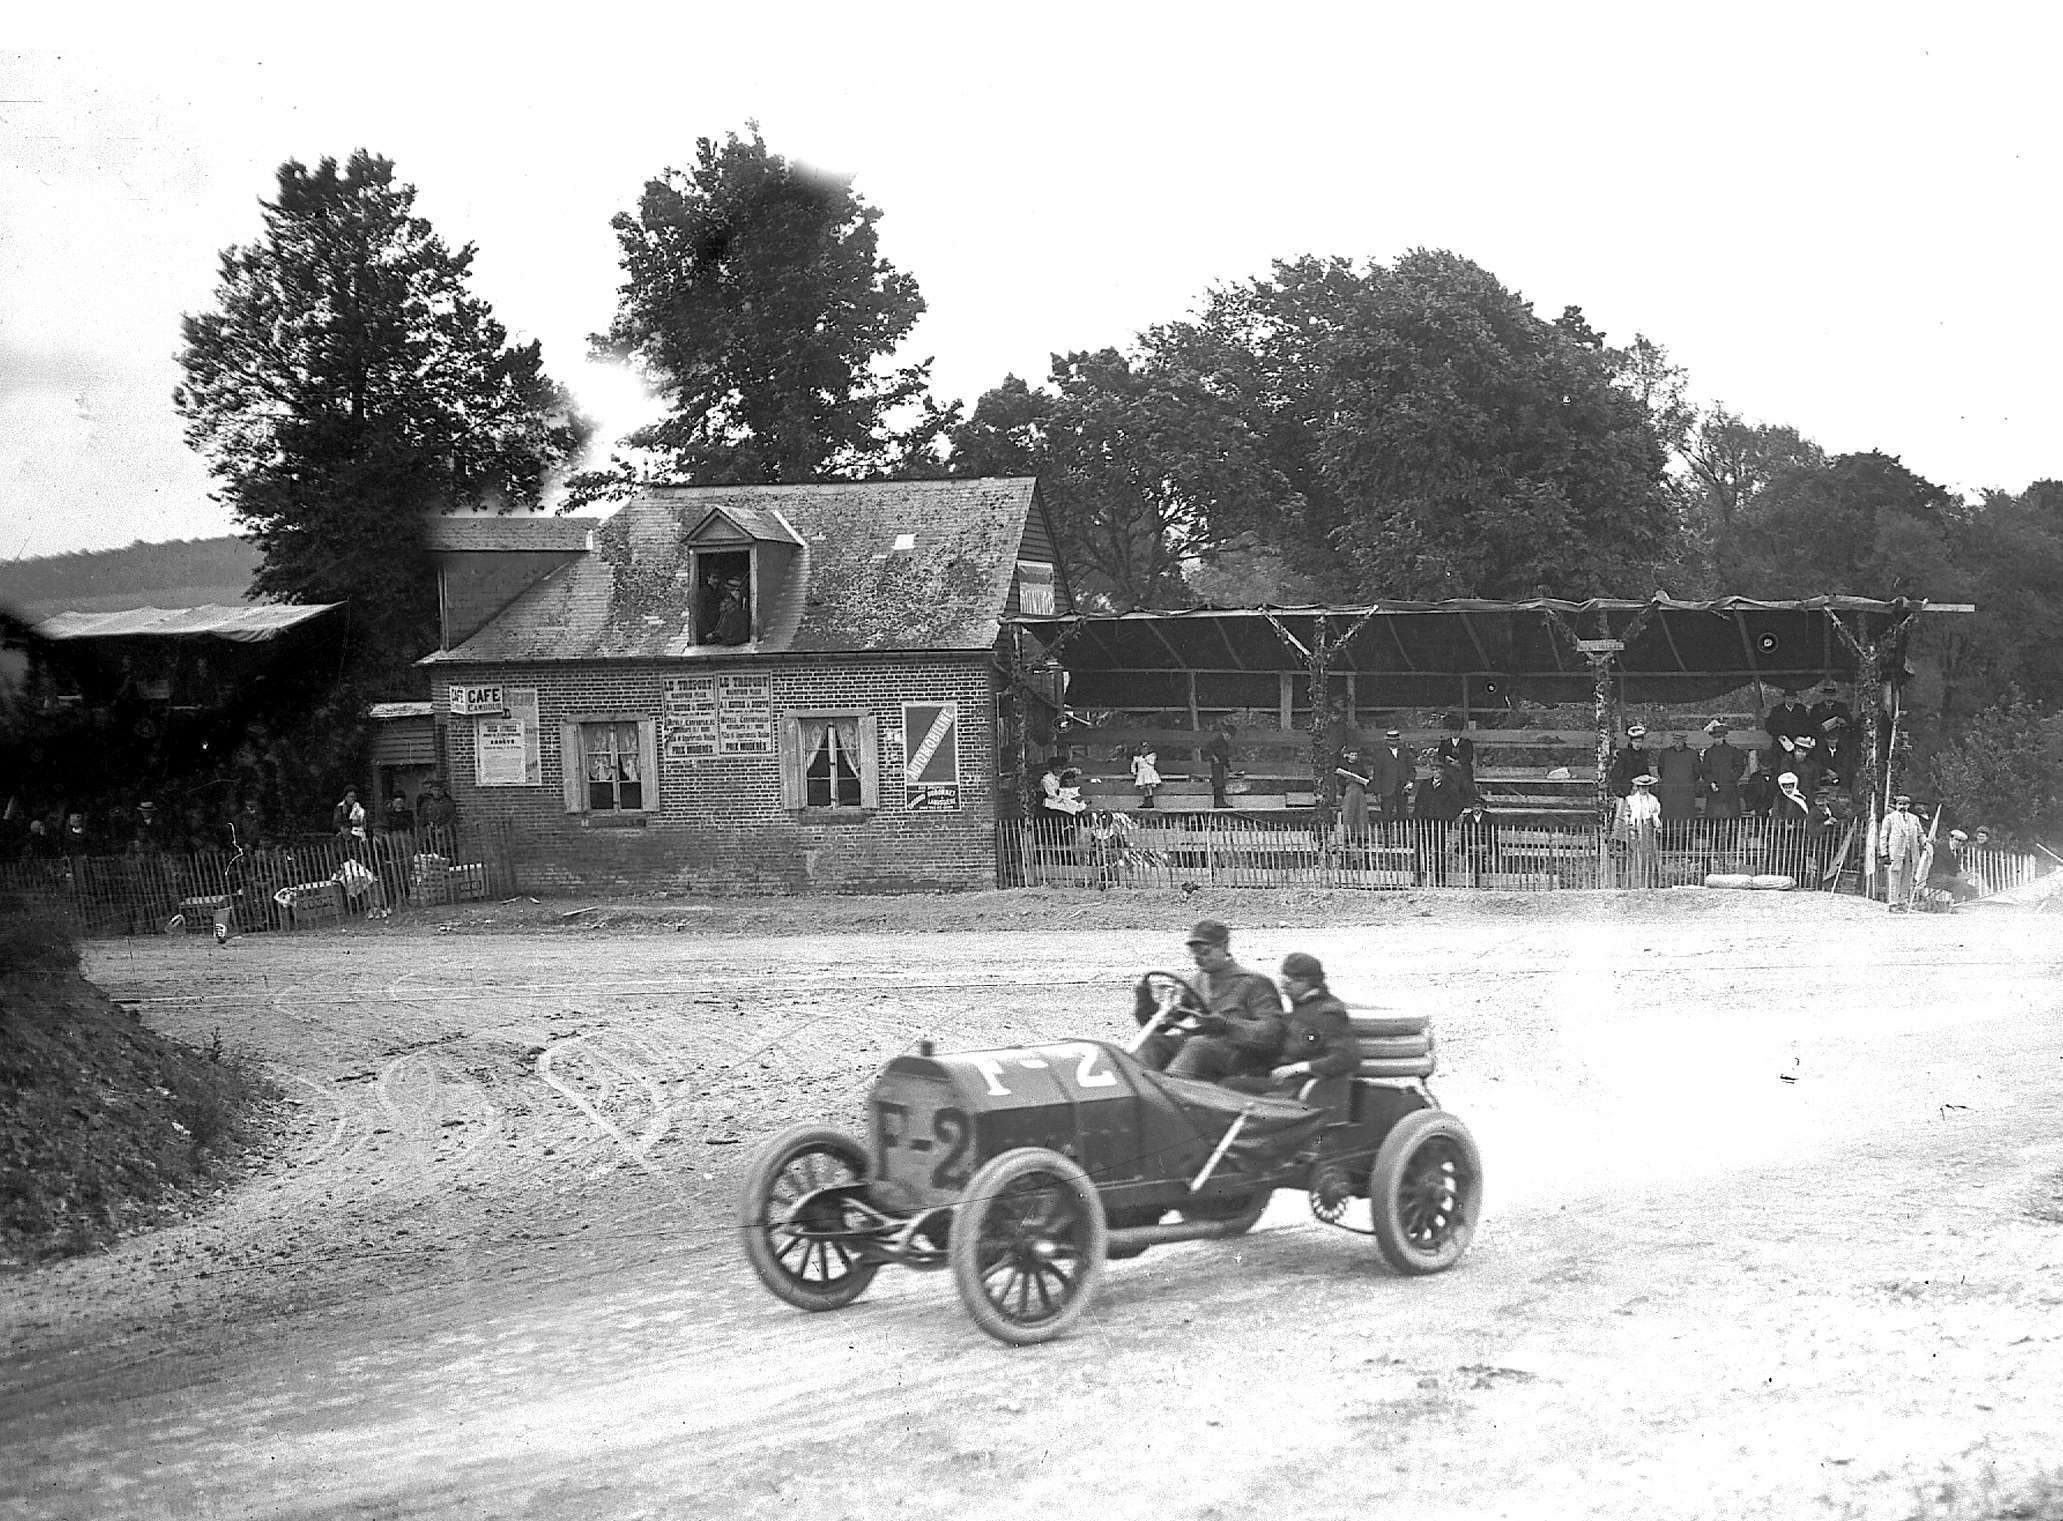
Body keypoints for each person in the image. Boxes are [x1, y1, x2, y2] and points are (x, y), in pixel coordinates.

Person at [1133, 919, 1284, 1086]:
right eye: (1195, 953)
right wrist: (1144, 999)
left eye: (1205, 951)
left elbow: (1271, 1033)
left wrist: (1225, 1024)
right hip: (1203, 1048)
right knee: (1154, 1042)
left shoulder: (1254, 983)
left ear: (1224, 947)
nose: (1199, 959)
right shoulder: (1198, 981)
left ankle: (1171, 1095)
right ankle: (1138, 1089)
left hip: (1240, 1054)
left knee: (1197, 1046)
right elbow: (1161, 1024)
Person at [1265, 952, 1359, 1093]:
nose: (1285, 985)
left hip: (1301, 1087)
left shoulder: (1328, 1014)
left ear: (1311, 982)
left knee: (1231, 1086)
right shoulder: (1303, 1008)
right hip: (1285, 1081)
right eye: (1285, 978)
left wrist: (1299, 1068)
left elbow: (1346, 1057)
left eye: (1295, 979)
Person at [1878, 793, 1926, 912]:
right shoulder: (1890, 818)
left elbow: (1920, 833)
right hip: (1896, 852)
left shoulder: (1914, 819)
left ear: (1909, 805)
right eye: (1900, 804)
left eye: (1905, 804)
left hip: (1910, 852)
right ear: (1896, 805)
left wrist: (1925, 843)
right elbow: (1884, 836)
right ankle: (1892, 903)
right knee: (1894, 876)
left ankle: (1902, 901)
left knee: (1907, 877)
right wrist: (1884, 853)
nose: (1902, 807)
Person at [1698, 721, 1748, 823]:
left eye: (1719, 737)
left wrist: (1732, 778)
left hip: (1730, 789)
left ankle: (1731, 839)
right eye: (1715, 737)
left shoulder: (1733, 751)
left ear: (1724, 737)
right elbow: (1705, 770)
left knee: (1731, 818)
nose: (1717, 739)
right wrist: (1711, 782)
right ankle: (1714, 839)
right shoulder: (1709, 752)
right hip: (1714, 790)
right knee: (1714, 819)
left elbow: (1740, 767)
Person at [1367, 728, 1415, 830]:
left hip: (1402, 789)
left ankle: (1402, 838)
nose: (1393, 742)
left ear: (1398, 741)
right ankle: (1386, 839)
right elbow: (1377, 774)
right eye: (1391, 740)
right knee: (1386, 815)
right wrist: (1377, 792)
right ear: (1387, 741)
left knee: (1402, 814)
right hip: (1386, 789)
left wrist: (1410, 782)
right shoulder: (1381, 754)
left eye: (1395, 740)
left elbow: (1411, 770)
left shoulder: (1405, 754)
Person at [1622, 773, 1662, 888]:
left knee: (1648, 855)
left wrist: (1656, 822)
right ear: (1638, 787)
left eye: (1646, 787)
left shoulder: (1653, 800)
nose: (1644, 789)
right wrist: (1630, 824)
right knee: (1635, 855)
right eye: (1642, 787)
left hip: (1647, 827)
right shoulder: (1630, 800)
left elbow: (1655, 813)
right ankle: (1634, 883)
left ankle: (1649, 883)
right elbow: (1626, 814)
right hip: (1634, 828)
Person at [1334, 747, 1372, 841]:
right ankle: (1348, 836)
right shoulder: (1344, 766)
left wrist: (1362, 780)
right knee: (1348, 813)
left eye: (1355, 755)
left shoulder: (1360, 766)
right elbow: (1339, 781)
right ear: (1347, 756)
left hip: (1359, 791)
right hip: (1349, 792)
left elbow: (1366, 779)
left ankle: (1361, 836)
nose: (1354, 757)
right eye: (1352, 755)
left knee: (1361, 814)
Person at [1204, 722, 1235, 809]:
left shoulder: (1225, 744)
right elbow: (1208, 748)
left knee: (1221, 782)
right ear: (1224, 733)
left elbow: (1225, 757)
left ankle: (1220, 801)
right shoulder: (1217, 741)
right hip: (1216, 764)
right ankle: (1218, 802)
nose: (1228, 738)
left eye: (1230, 737)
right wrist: (1214, 757)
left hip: (1221, 765)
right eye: (1228, 736)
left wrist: (1229, 768)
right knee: (1218, 782)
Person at [1130, 744, 1161, 810]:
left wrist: (1145, 758)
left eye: (1146, 749)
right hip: (1142, 773)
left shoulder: (1151, 757)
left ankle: (1150, 801)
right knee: (1145, 788)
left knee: (1149, 786)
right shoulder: (1137, 758)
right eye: (1142, 749)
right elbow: (1133, 765)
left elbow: (1151, 763)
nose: (1144, 751)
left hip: (1149, 773)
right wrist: (1134, 772)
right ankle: (1146, 802)